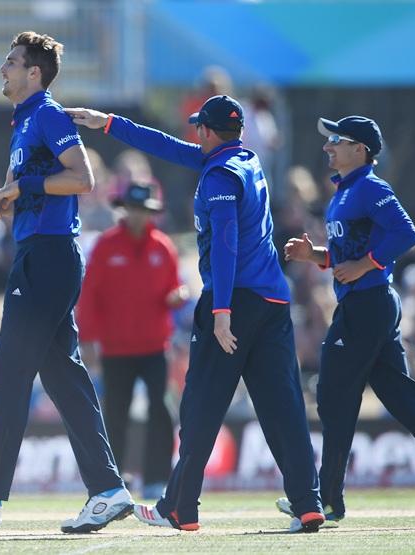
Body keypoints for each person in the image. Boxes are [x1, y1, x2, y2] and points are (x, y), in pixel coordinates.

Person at [66, 95, 325, 533]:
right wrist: (106, 122)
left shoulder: (219, 174)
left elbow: (225, 243)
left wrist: (221, 311)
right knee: (283, 406)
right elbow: (164, 146)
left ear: (206, 132)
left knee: (200, 406)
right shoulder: (243, 160)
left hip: (234, 301)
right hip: (273, 302)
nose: (192, 134)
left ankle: (181, 508)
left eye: (197, 127)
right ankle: (308, 502)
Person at [0, 31, 133, 533]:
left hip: (49, 258)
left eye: (11, 62)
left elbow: (82, 180)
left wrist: (24, 186)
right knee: (65, 378)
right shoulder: (25, 124)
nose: (3, 69)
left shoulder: (48, 116)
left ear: (33, 73)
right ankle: (107, 489)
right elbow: (17, 201)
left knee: (12, 373)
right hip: (40, 256)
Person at [278, 115, 415, 527]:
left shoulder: (370, 187)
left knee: (331, 393)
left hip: (368, 304)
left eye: (336, 141)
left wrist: (365, 264)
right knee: (402, 400)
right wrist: (317, 256)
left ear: (360, 149)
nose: (328, 147)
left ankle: (324, 498)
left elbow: (406, 233)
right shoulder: (344, 192)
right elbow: (350, 256)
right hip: (366, 302)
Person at [77, 182, 188, 499]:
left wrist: (177, 297)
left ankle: (157, 479)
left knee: (161, 412)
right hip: (116, 348)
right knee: (116, 413)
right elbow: (89, 298)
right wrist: (88, 341)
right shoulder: (106, 246)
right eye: (135, 210)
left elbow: (174, 289)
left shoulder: (163, 246)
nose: (139, 217)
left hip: (155, 347)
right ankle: (114, 481)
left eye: (145, 211)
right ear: (125, 210)